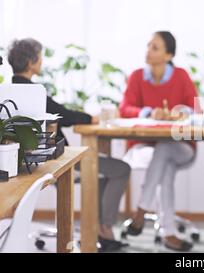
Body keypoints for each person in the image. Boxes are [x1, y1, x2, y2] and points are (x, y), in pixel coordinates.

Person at [8, 38, 131, 252]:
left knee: (101, 174)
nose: (42, 61)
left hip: (24, 162)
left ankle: (99, 229)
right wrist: (90, 118)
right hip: (54, 162)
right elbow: (62, 115)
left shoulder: (8, 91)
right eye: (40, 57)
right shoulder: (33, 91)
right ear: (31, 63)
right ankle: (103, 228)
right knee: (121, 169)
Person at [119, 31, 198, 252]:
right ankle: (168, 232)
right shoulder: (136, 77)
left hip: (182, 147)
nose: (148, 50)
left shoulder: (180, 76)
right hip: (142, 148)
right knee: (165, 164)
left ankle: (141, 212)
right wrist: (148, 112)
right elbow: (124, 109)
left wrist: (180, 113)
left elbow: (196, 108)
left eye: (155, 47)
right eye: (148, 45)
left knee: (164, 148)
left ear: (168, 54)